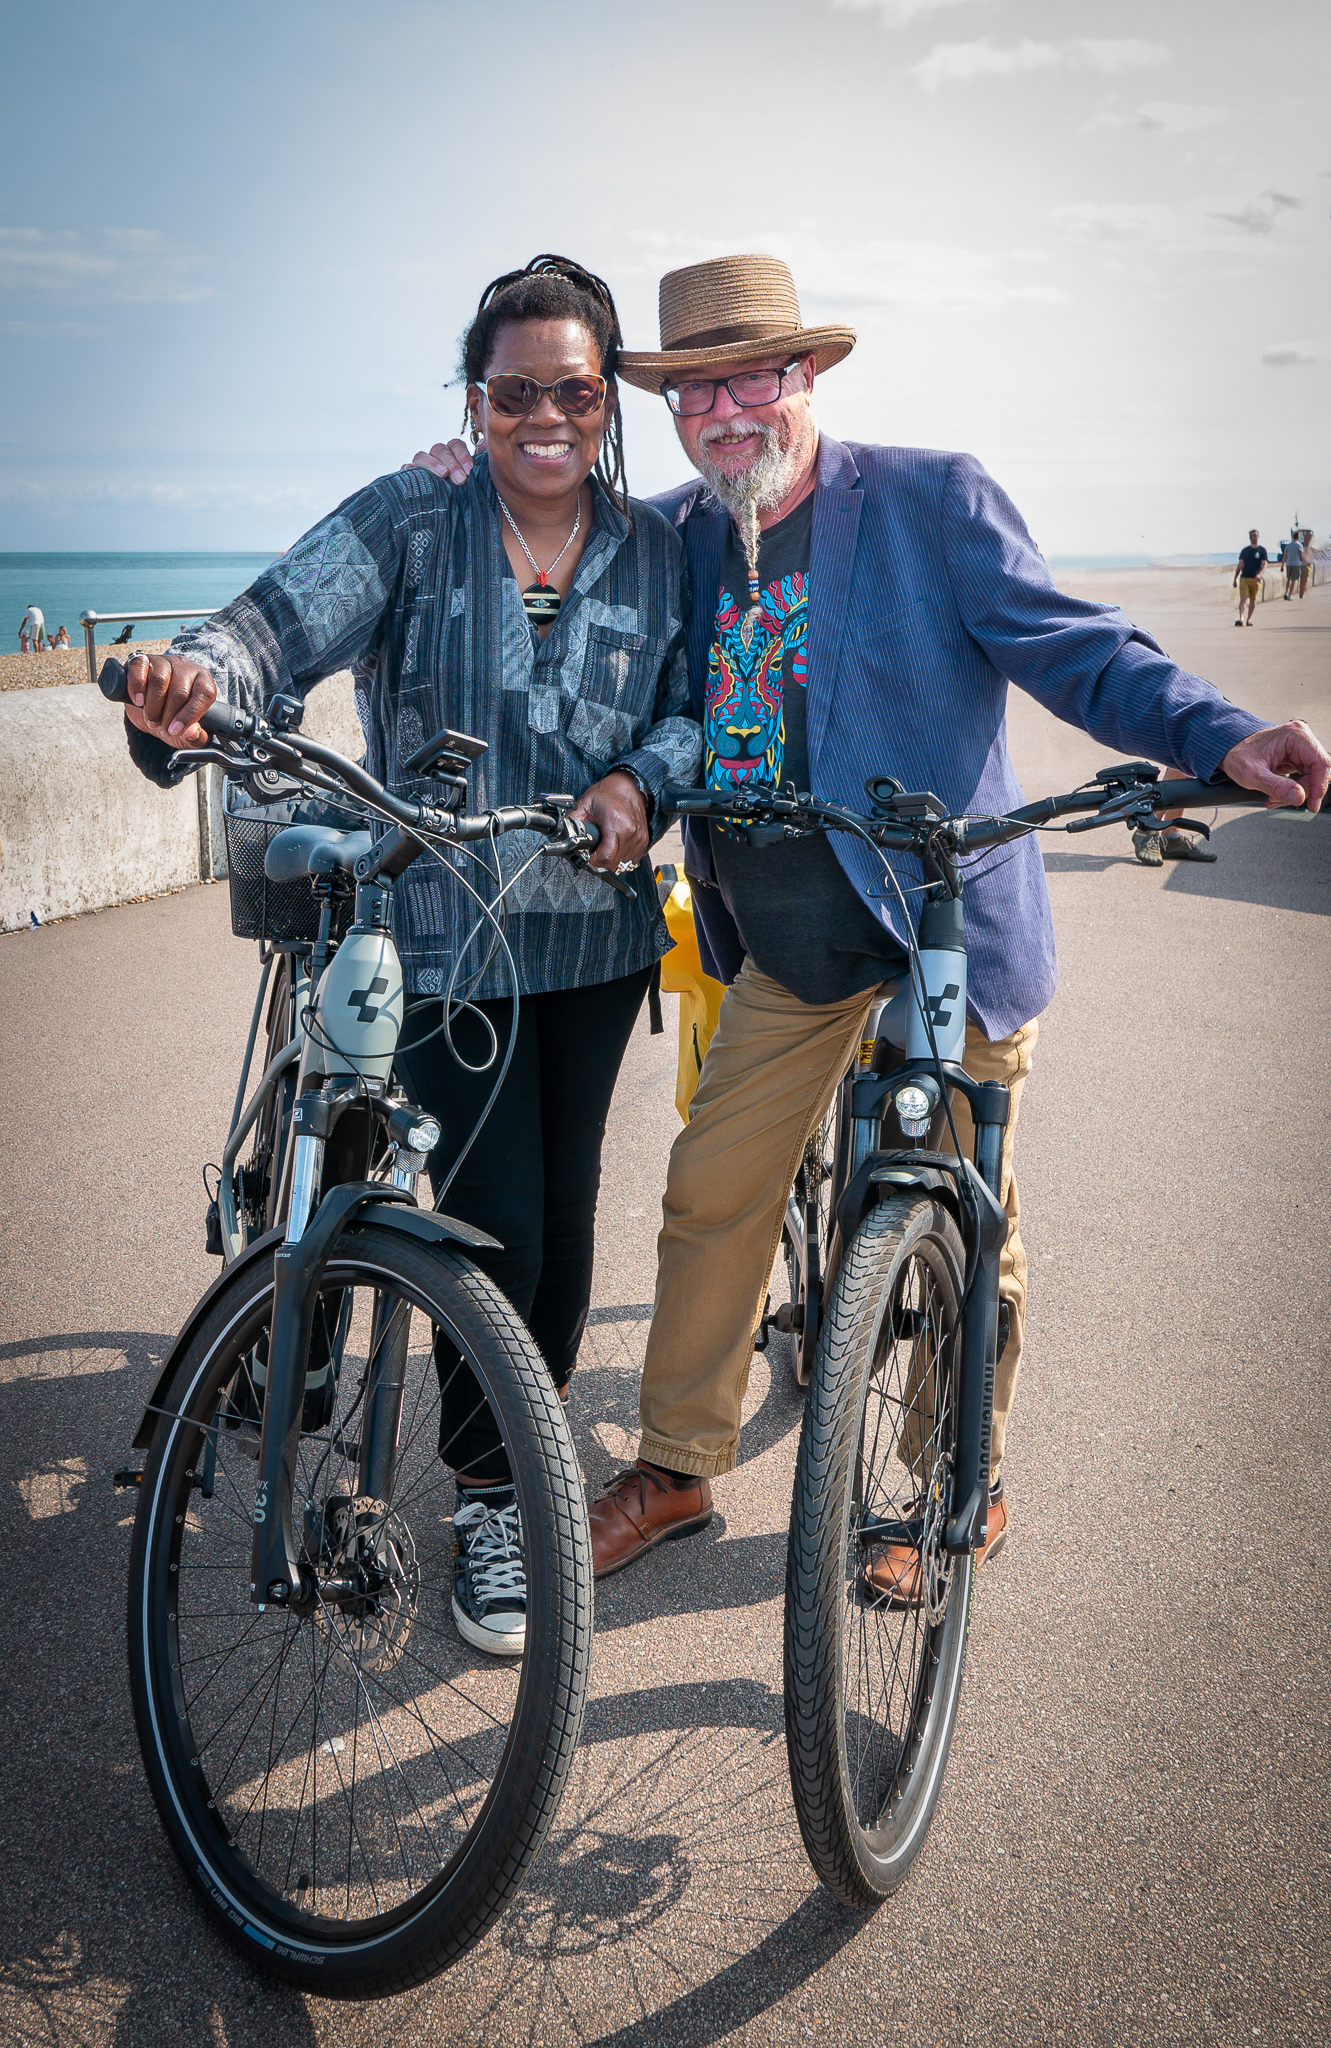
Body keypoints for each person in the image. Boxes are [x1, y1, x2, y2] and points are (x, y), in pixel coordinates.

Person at [413, 252, 1329, 1594]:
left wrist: (1220, 731)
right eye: (693, 394)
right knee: (710, 1190)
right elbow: (545, 576)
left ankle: (950, 1480)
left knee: (960, 1212)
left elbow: (1079, 648)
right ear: (668, 412)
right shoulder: (668, 534)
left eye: (750, 382)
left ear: (801, 378)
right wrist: (456, 498)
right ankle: (674, 1468)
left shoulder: (928, 501)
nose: (725, 414)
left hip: (937, 933)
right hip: (786, 948)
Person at [121, 254, 701, 1658]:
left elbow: (691, 714)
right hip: (446, 935)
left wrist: (642, 783)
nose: (545, 417)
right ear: (476, 396)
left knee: (562, 1235)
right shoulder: (410, 517)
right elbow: (269, 624)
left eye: (573, 389)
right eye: (517, 391)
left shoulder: (657, 549)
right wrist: (195, 676)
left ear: (604, 401)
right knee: (491, 1229)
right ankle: (498, 1501)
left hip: (599, 940)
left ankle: (510, 1470)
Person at [1232, 530, 1267, 627]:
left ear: (1258, 536)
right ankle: (1241, 619)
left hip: (1255, 579)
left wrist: (1260, 574)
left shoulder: (1262, 551)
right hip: (1244, 578)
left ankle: (1249, 619)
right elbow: (1240, 565)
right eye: (1251, 536)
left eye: (1255, 535)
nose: (1253, 537)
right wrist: (1235, 578)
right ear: (1249, 537)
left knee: (1253, 599)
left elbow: (1264, 564)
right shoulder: (1245, 551)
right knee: (1243, 599)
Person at [1281, 534, 1305, 600]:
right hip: (1296, 564)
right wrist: (1302, 562)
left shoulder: (1288, 545)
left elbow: (1284, 556)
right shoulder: (1299, 545)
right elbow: (1301, 555)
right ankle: (1290, 595)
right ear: (1298, 537)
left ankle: (1286, 592)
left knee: (1289, 579)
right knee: (1294, 579)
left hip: (1288, 564)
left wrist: (1282, 565)